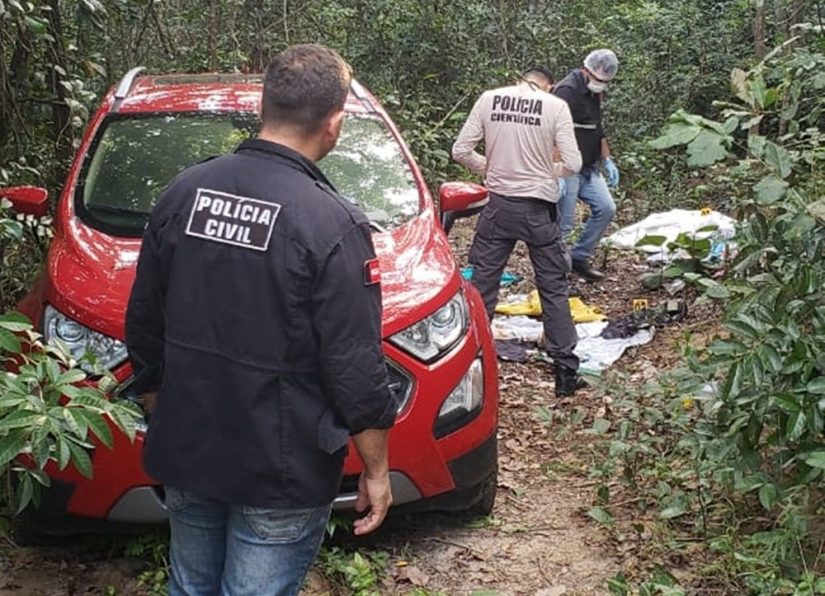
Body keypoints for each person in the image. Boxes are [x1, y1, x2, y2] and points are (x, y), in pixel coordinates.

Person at [125, 44, 396, 596]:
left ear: (264, 106)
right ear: (334, 122)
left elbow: (144, 325)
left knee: (190, 586)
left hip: (189, 447)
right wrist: (376, 468)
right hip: (282, 470)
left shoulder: (184, 192)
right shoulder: (332, 223)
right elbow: (354, 367)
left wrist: (166, 408)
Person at [452, 66, 584, 397]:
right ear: (549, 86)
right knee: (552, 286)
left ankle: (469, 369)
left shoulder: (490, 99)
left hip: (498, 207)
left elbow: (460, 150)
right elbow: (574, 164)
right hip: (538, 209)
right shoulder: (555, 107)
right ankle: (565, 372)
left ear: (519, 79)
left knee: (482, 285)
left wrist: (492, 167)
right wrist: (550, 171)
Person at [553, 49, 620, 281]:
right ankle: (554, 269)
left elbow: (597, 128)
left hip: (588, 165)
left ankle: (579, 257)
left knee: (606, 207)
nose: (601, 84)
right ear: (587, 70)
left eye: (605, 82)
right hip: (567, 165)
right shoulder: (566, 90)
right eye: (599, 79)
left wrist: (607, 160)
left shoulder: (595, 93)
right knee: (565, 221)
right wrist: (557, 170)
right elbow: (551, 131)